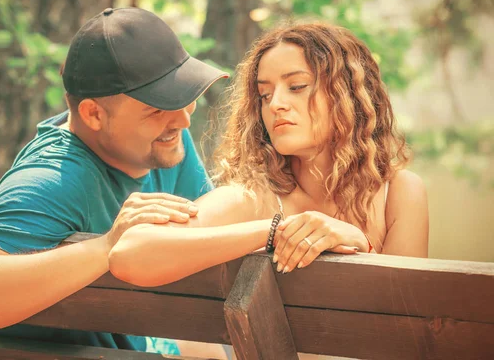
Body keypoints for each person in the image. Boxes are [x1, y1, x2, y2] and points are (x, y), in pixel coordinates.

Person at [0, 7, 229, 355]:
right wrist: (107, 248)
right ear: (93, 114)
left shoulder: (163, 142)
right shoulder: (51, 179)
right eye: (158, 108)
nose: (183, 119)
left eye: (183, 97)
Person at [108, 21, 429, 288]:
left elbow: (407, 322)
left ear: (348, 95)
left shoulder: (398, 193)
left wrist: (360, 243)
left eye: (297, 86)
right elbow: (129, 253)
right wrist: (274, 230)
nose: (275, 104)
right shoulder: (254, 199)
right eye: (264, 94)